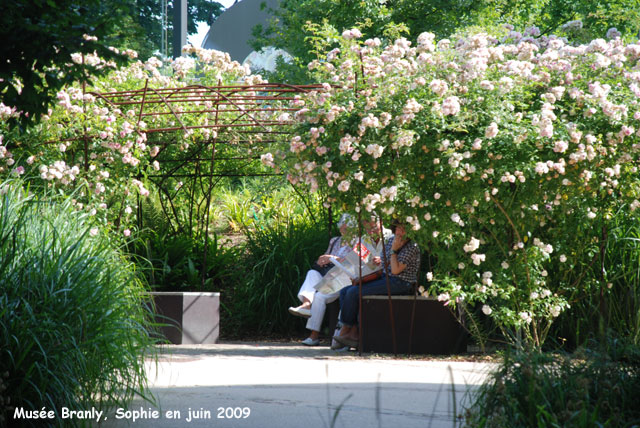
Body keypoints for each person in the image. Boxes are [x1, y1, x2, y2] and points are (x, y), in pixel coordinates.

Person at [333, 220, 421, 349]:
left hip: (401, 282)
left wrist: (394, 251)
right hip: (385, 277)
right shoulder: (391, 241)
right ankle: (354, 332)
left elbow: (396, 270)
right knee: (346, 291)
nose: (400, 232)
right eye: (398, 229)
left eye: (403, 229)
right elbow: (384, 265)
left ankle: (346, 330)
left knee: (353, 293)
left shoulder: (412, 247)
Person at [288, 214, 355, 338]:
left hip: (343, 279)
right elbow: (326, 256)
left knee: (319, 296)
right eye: (342, 226)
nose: (343, 229)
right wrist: (322, 260)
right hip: (328, 275)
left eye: (347, 228)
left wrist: (334, 258)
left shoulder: (358, 242)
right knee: (312, 273)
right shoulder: (335, 240)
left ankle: (313, 336)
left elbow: (354, 263)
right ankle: (306, 305)